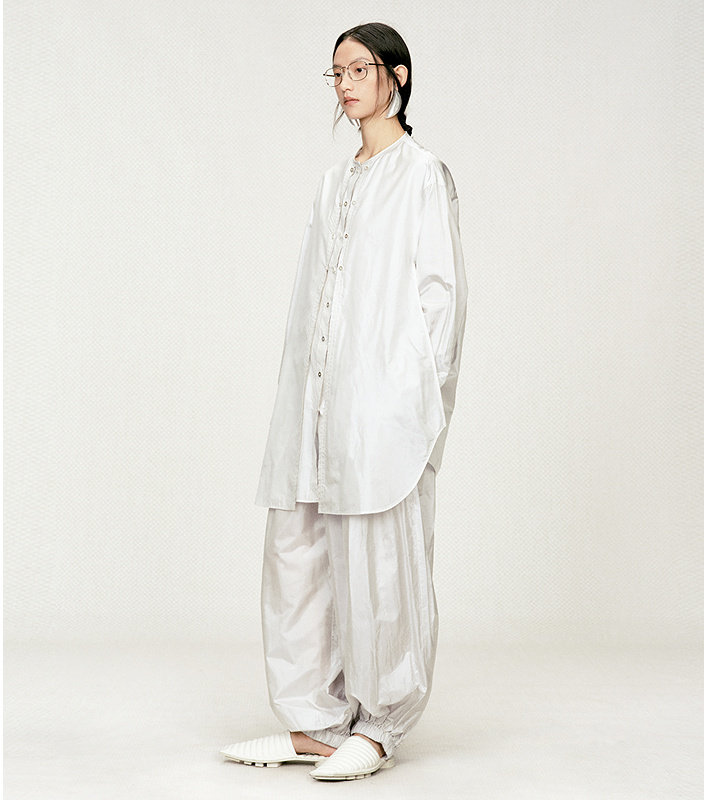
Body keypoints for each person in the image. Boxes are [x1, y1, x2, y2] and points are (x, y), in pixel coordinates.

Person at [221, 21, 468, 781]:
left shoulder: (422, 174)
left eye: (360, 69)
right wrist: (302, 391)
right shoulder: (334, 182)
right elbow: (312, 301)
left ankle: (381, 726)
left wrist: (410, 400)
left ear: (397, 75)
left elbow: (441, 298)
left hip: (381, 405)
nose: (346, 84)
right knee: (297, 553)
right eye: (336, 73)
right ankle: (316, 726)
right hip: (314, 398)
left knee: (377, 559)